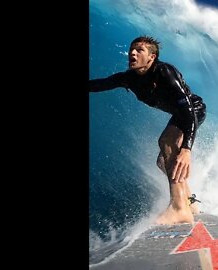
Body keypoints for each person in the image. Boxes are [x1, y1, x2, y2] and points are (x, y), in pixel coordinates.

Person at [88, 36, 206, 225]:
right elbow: (100, 84)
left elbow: (187, 110)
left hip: (193, 111)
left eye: (139, 50)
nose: (132, 53)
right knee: (163, 162)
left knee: (166, 142)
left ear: (152, 57)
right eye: (131, 50)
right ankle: (187, 200)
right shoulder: (129, 78)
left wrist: (186, 148)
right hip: (179, 114)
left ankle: (179, 208)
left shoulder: (165, 72)